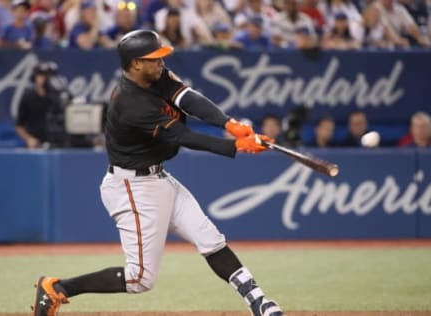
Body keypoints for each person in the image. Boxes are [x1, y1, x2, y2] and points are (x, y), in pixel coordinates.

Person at [31, 30, 284, 316]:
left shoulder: (154, 75)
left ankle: (258, 302)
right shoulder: (131, 103)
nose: (161, 63)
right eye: (154, 59)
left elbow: (188, 98)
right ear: (136, 64)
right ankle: (58, 288)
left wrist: (228, 123)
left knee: (210, 239)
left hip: (158, 178)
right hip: (132, 187)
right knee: (139, 279)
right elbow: (183, 136)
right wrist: (237, 146)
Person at [15, 61, 61, 149]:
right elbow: (19, 126)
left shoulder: (58, 96)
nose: (44, 79)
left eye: (47, 76)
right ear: (34, 77)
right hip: (36, 144)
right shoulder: (28, 98)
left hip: (57, 144)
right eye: (41, 75)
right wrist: (29, 139)